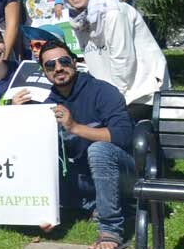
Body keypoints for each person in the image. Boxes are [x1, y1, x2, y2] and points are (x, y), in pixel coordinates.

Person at [39, 40, 135, 249]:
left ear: (74, 62)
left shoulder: (103, 91)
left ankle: (110, 230)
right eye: (50, 65)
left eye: (64, 61)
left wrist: (74, 127)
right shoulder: (47, 103)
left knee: (99, 150)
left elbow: (124, 136)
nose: (58, 68)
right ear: (44, 72)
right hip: (83, 179)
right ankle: (83, 207)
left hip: (124, 172)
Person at [59, 0, 168, 121]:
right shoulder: (78, 19)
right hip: (112, 96)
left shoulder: (113, 12)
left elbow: (123, 61)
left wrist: (111, 104)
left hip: (141, 95)